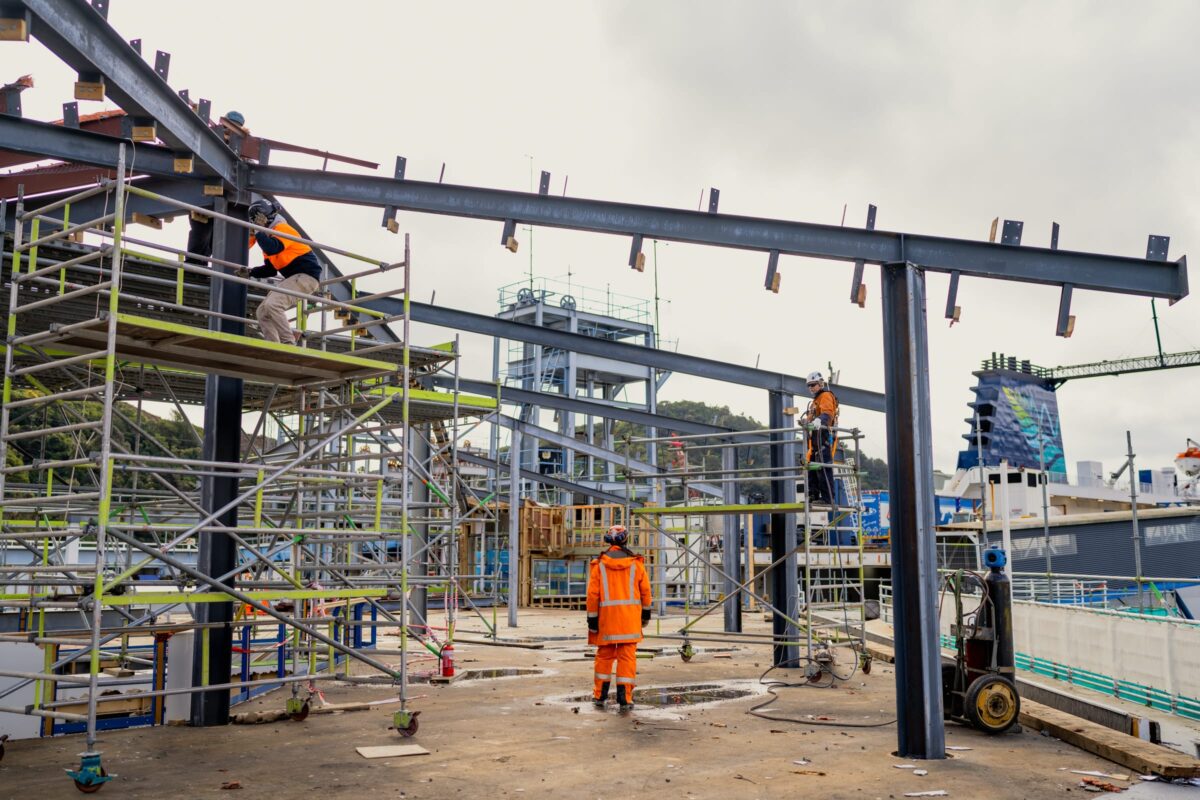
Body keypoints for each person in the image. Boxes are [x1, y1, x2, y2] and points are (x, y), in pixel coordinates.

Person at [587, 524, 652, 711]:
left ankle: (599, 695)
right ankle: (625, 698)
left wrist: (592, 620)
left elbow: (592, 595)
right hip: (630, 621)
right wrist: (645, 616)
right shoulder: (636, 564)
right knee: (627, 658)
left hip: (607, 621)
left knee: (604, 657)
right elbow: (646, 593)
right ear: (626, 539)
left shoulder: (599, 566)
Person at [239, 198, 321, 344]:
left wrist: (258, 231)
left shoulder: (283, 229)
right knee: (262, 312)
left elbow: (273, 248)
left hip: (305, 276)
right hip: (296, 278)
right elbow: (270, 269)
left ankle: (288, 342)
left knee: (273, 304)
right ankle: (273, 344)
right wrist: (251, 272)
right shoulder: (268, 238)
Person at [802, 370, 840, 507]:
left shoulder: (826, 396)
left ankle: (827, 498)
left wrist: (819, 420)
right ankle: (813, 494)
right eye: (809, 386)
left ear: (820, 384)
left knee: (823, 467)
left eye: (813, 385)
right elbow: (811, 416)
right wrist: (806, 422)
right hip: (814, 437)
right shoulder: (815, 401)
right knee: (811, 466)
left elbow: (828, 413)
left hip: (823, 435)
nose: (811, 388)